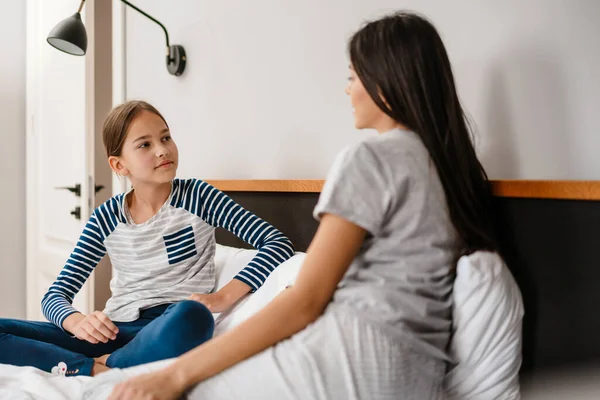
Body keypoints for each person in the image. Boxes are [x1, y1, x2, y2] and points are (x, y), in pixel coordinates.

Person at [104, 11, 498, 400]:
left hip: (355, 355)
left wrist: (175, 375)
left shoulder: (373, 159)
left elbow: (306, 301)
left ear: (386, 82)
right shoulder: (451, 170)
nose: (347, 90)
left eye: (352, 77)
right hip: (417, 375)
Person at [0, 100, 294, 377]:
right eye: (145, 144)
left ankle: (109, 365)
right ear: (119, 165)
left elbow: (276, 243)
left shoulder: (199, 196)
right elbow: (54, 296)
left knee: (194, 315)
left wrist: (222, 297)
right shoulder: (106, 218)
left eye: (165, 138)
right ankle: (97, 369)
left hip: (168, 325)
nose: (162, 150)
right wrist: (78, 322)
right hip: (113, 332)